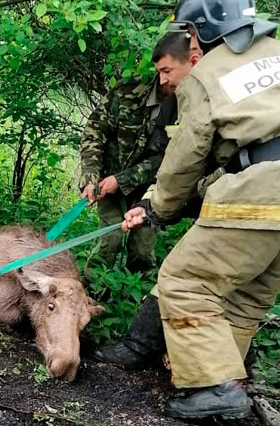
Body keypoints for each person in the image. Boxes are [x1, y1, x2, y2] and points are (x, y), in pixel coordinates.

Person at [122, 0, 280, 420]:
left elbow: (187, 155)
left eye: (190, 31)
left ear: (205, 30)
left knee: (183, 281)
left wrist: (156, 207)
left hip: (263, 186)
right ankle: (224, 380)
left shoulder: (209, 74)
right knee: (247, 293)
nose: (189, 40)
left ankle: (215, 386)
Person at [79, 32, 201, 273]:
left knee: (142, 251)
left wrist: (123, 180)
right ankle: (89, 297)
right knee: (109, 241)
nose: (163, 80)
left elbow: (172, 160)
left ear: (193, 63)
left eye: (168, 71)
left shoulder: (194, 105)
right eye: (159, 71)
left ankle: (137, 303)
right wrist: (90, 174)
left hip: (152, 188)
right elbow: (95, 131)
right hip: (108, 180)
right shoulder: (128, 90)